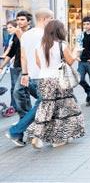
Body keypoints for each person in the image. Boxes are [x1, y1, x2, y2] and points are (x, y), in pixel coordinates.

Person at [26, 20, 85, 148]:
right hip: (59, 79)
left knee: (45, 106)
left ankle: (37, 135)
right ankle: (58, 139)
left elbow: (38, 63)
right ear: (59, 30)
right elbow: (69, 61)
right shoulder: (61, 45)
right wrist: (75, 52)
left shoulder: (40, 45)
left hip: (44, 79)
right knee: (62, 107)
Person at [5, 8, 54, 147]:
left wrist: (25, 74)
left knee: (44, 103)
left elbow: (23, 56)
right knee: (42, 104)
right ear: (44, 19)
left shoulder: (26, 35)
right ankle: (17, 131)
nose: (52, 22)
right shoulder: (45, 34)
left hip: (32, 75)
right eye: (51, 19)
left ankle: (31, 134)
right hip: (43, 75)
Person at [0, 20, 20, 116]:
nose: (8, 30)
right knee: (14, 87)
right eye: (7, 28)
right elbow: (9, 49)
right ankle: (14, 106)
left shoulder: (19, 36)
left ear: (17, 27)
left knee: (18, 88)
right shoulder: (12, 36)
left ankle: (15, 107)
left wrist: (12, 58)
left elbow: (17, 51)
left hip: (18, 65)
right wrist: (3, 58)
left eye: (10, 27)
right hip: (12, 65)